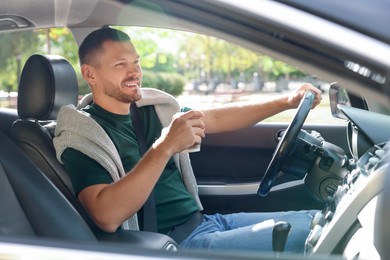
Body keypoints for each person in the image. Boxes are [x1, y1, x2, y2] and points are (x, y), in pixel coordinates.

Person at [53, 27, 322, 253]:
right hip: (172, 244)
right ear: (90, 74)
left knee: (317, 221)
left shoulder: (151, 108)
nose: (134, 72)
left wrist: (287, 102)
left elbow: (216, 119)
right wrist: (165, 145)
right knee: (313, 240)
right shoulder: (83, 135)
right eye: (121, 65)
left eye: (136, 62)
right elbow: (106, 216)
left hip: (206, 222)